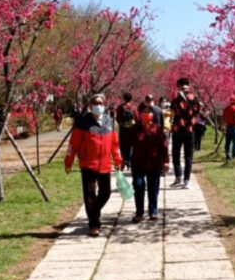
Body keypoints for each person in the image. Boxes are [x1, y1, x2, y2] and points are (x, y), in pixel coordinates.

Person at [62, 106, 115, 236]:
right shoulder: (82, 122)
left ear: (104, 104)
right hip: (88, 164)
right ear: (91, 105)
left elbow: (115, 142)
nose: (98, 105)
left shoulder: (109, 121)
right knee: (89, 194)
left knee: (106, 193)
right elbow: (73, 143)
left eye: (100, 102)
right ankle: (94, 224)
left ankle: (94, 212)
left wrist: (118, 158)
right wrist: (69, 161)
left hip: (105, 164)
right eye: (95, 102)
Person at [126, 95, 168, 221]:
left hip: (154, 162)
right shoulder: (134, 128)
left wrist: (165, 161)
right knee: (138, 186)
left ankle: (153, 211)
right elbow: (127, 144)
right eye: (144, 112)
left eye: (148, 112)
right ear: (140, 114)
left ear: (152, 114)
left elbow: (164, 146)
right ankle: (139, 212)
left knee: (153, 188)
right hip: (138, 162)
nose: (146, 114)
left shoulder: (157, 128)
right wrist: (124, 158)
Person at [168, 79, 204, 186]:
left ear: (178, 85)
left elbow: (172, 111)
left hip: (177, 129)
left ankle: (178, 177)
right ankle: (187, 180)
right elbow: (198, 111)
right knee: (188, 156)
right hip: (190, 129)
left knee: (176, 154)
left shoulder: (175, 97)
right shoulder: (194, 98)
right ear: (188, 86)